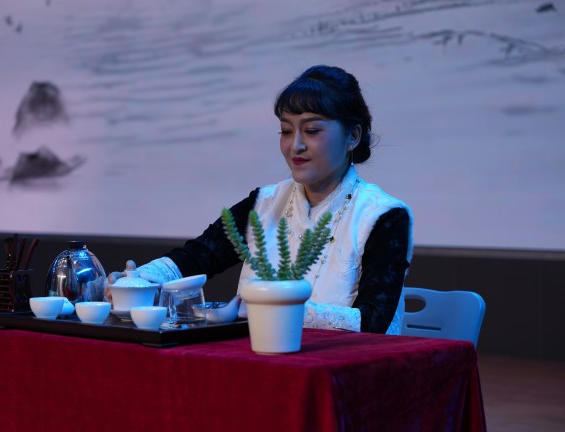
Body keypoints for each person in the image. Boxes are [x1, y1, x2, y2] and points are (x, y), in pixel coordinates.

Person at [108, 65, 412, 334]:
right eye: (285, 131)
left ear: (353, 136)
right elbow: (195, 258)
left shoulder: (384, 215)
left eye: (312, 130)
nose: (296, 145)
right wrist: (138, 279)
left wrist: (273, 306)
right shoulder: (265, 203)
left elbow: (372, 322)